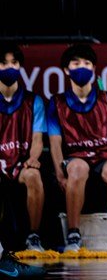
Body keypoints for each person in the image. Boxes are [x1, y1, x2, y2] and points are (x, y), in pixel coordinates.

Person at [47, 43, 107, 253]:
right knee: (78, 169)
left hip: (104, 157)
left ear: (94, 69)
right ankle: (73, 235)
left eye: (87, 63)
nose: (82, 67)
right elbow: (55, 142)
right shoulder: (56, 103)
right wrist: (60, 173)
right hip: (75, 157)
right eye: (76, 63)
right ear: (66, 70)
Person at [0, 44, 47, 253]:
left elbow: (38, 138)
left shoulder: (33, 101)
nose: (10, 67)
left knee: (34, 176)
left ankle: (33, 237)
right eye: (3, 63)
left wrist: (34, 158)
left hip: (20, 162)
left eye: (14, 63)